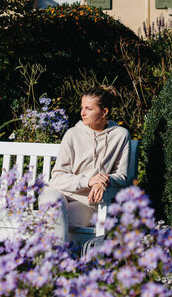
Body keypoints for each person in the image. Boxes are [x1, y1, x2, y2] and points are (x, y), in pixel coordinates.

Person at [39, 85, 130, 242]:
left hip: (87, 204)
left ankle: (53, 262)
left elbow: (121, 176)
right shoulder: (72, 134)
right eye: (82, 108)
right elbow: (57, 178)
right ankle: (58, 261)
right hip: (60, 194)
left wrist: (104, 181)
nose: (82, 113)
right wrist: (89, 180)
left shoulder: (120, 135)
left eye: (89, 109)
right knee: (51, 204)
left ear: (104, 112)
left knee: (52, 222)